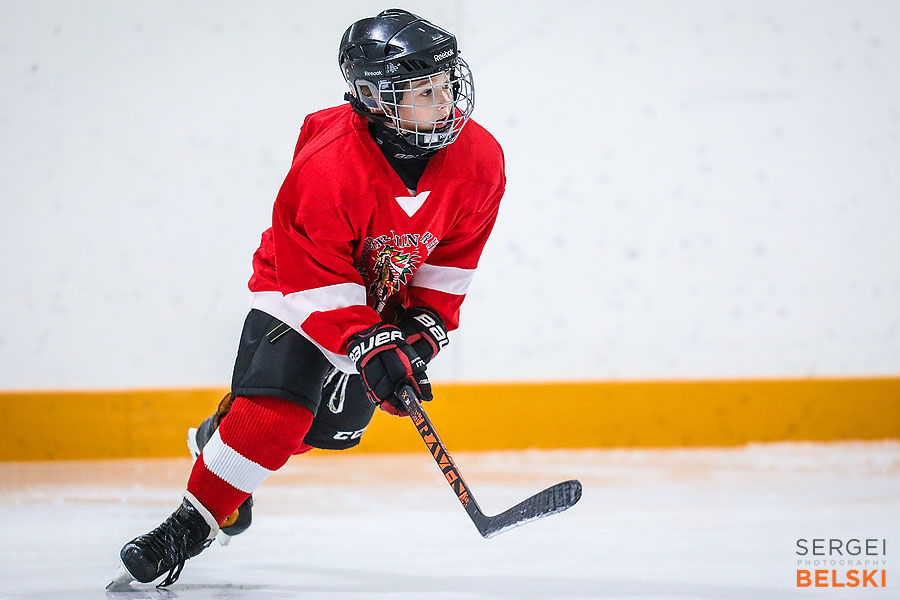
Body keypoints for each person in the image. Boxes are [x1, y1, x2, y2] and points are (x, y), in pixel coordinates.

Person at [110, 8, 505, 588]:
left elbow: (453, 258)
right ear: (374, 98)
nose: (444, 102)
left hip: (379, 301)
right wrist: (368, 342)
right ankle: (188, 528)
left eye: (445, 85)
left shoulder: (481, 159)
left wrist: (419, 335)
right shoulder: (331, 165)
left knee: (325, 431)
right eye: (424, 92)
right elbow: (313, 268)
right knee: (276, 414)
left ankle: (220, 436)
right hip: (296, 288)